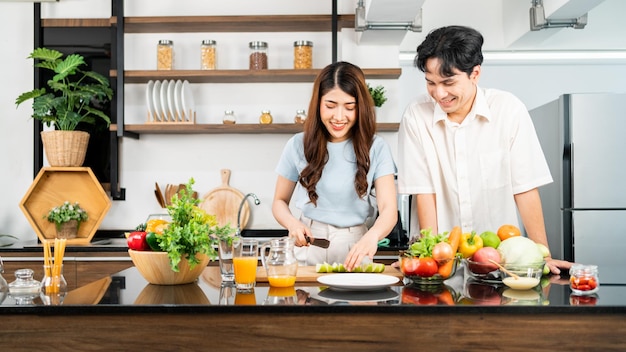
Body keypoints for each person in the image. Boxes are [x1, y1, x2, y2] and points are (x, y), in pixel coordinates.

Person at [397, 25, 571, 274]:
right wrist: (432, 257)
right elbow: (425, 194)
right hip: (444, 264)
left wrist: (541, 254)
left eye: (448, 82)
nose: (439, 93)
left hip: (503, 263)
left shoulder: (508, 110)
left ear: (475, 73)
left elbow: (525, 187)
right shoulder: (416, 115)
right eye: (431, 83)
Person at [272, 61, 397, 271]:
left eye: (350, 107)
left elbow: (389, 209)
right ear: (318, 103)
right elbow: (279, 201)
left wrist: (372, 236)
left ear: (361, 107)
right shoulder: (297, 144)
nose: (339, 117)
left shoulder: (377, 147)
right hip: (310, 245)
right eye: (330, 106)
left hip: (356, 247)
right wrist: (293, 224)